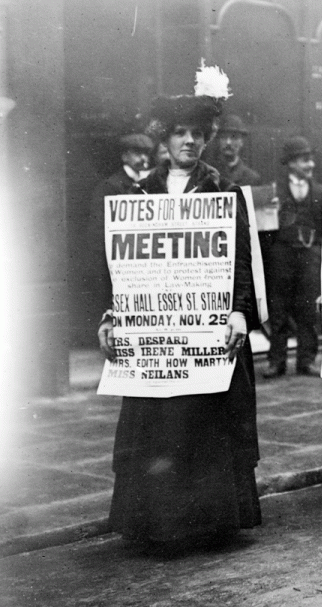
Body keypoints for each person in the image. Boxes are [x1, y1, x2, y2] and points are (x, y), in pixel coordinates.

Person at [97, 63, 261, 550]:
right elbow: (120, 267)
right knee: (158, 425)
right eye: (179, 133)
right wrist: (110, 314)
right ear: (164, 140)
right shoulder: (137, 194)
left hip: (207, 330)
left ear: (208, 138)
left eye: (197, 133)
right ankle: (155, 523)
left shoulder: (224, 192)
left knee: (203, 424)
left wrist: (240, 311)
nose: (189, 141)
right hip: (157, 333)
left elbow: (242, 262)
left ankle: (206, 523)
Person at [264, 136, 322, 378]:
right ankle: (276, 361)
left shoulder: (321, 192)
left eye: (311, 159)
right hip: (282, 256)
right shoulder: (274, 191)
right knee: (278, 309)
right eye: (304, 160)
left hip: (310, 256)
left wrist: (317, 250)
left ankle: (306, 360)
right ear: (290, 163)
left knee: (309, 310)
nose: (310, 164)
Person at [87, 133, 155, 334]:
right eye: (137, 153)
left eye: (146, 153)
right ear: (125, 156)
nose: (143, 158)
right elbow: (97, 237)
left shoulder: (152, 185)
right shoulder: (109, 187)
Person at [206, 113, 261, 188]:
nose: (228, 142)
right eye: (224, 137)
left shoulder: (252, 178)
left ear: (241, 142)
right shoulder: (207, 174)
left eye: (234, 137)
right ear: (218, 140)